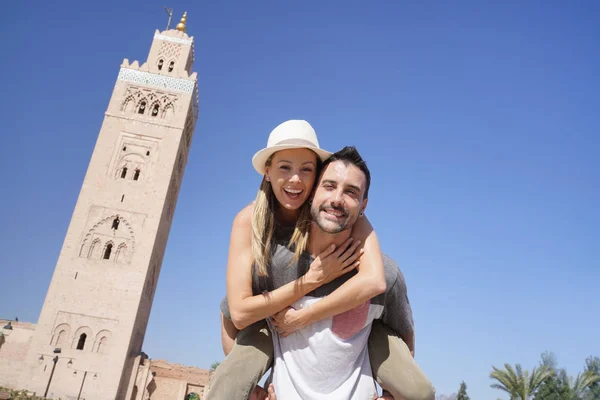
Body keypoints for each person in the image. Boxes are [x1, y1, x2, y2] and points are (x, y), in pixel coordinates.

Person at [204, 122, 433, 399]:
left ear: (363, 205)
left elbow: (379, 287)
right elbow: (235, 311)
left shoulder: (377, 260)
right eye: (284, 167)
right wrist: (251, 387)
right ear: (268, 172)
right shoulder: (262, 239)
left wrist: (389, 394)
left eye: (306, 170)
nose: (295, 180)